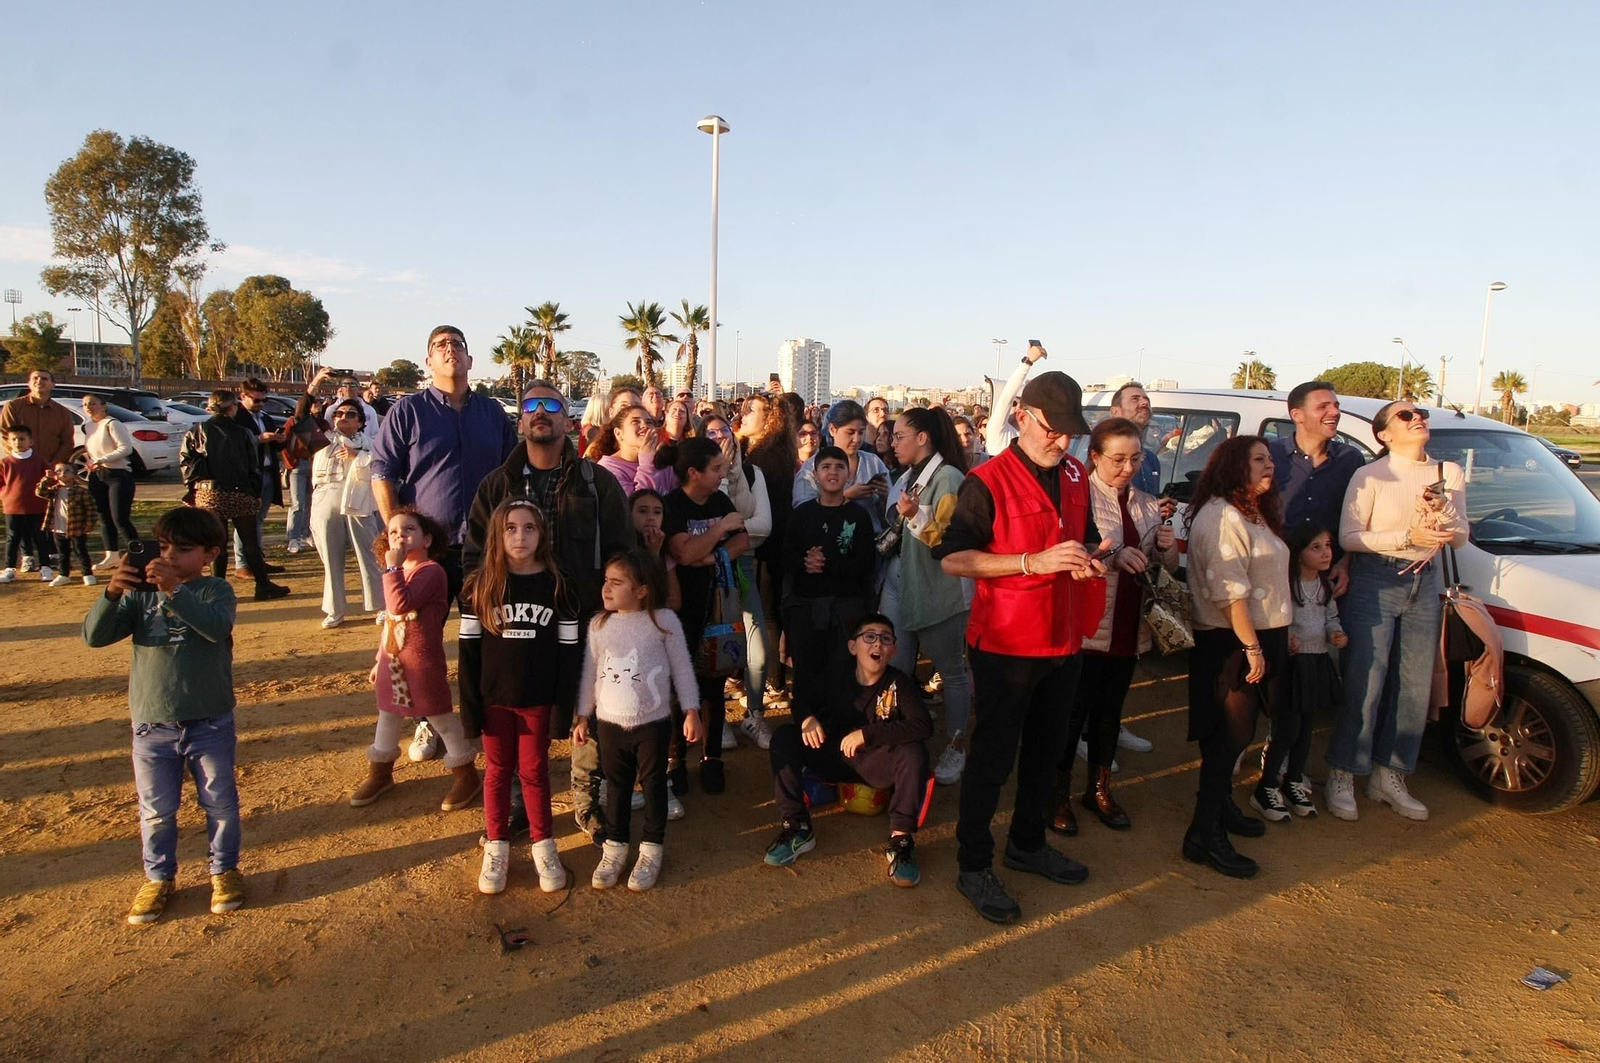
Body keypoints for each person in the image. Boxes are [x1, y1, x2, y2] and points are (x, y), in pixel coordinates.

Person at [933, 364, 1105, 923]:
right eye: (1053, 427)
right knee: (991, 759)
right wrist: (1032, 562)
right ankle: (973, 863)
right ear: (1023, 417)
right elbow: (954, 557)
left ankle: (1027, 845)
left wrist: (1097, 559)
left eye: (1070, 430)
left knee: (1047, 754)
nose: (1062, 439)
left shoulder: (1078, 475)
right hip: (1006, 646)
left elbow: (1089, 542)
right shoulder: (987, 480)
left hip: (1065, 642)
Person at [464, 380, 634, 843]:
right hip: (516, 628)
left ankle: (586, 799)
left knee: (589, 714)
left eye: (551, 405)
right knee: (516, 713)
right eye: (531, 406)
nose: (541, 412)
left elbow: (622, 551)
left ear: (569, 419)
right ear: (520, 421)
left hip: (584, 622)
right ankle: (518, 804)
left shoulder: (596, 483)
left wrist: (615, 611)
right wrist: (487, 607)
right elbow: (473, 558)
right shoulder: (495, 485)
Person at [83, 506, 245, 925]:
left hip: (209, 719)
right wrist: (112, 594)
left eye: (184, 549)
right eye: (164, 546)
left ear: (209, 554)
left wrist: (175, 590)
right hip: (152, 721)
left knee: (221, 803)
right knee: (156, 810)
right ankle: (158, 877)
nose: (170, 555)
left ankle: (223, 870)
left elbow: (215, 628)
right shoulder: (138, 596)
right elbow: (95, 637)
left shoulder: (216, 590)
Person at [1324, 400, 1467, 823]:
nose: (1416, 418)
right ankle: (1344, 771)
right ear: (1384, 434)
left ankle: (1391, 774)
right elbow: (1349, 538)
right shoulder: (1370, 475)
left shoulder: (1448, 472)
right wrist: (1408, 534)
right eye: (1404, 416)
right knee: (1365, 681)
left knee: (1414, 685)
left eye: (1419, 411)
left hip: (1426, 578)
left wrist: (1445, 522)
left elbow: (1460, 537)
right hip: (1375, 579)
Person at [1051, 418, 1179, 835]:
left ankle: (1099, 789)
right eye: (1118, 459)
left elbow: (1165, 568)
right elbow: (1066, 554)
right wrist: (1109, 556)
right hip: (1087, 624)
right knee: (1071, 716)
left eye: (1135, 458)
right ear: (1094, 456)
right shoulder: (1078, 497)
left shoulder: (1145, 501)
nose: (1128, 468)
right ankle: (1057, 794)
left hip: (1129, 623)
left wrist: (1164, 548)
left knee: (1110, 713)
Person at [1182, 436, 1292, 879]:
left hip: (1258, 635)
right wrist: (1251, 649)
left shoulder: (1252, 513)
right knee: (1228, 738)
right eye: (1258, 460)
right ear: (1233, 466)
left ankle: (1220, 812)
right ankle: (1203, 836)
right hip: (1231, 642)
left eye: (1270, 459)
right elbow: (1229, 593)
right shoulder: (1222, 515)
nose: (1269, 466)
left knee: (1234, 738)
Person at [459, 499, 580, 895]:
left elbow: (568, 654)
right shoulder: (480, 586)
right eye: (510, 528)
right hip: (494, 699)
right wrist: (470, 709)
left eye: (529, 527)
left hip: (538, 700)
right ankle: (496, 846)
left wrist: (564, 708)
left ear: (542, 534)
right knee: (496, 772)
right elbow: (469, 654)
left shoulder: (559, 585)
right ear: (497, 534)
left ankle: (544, 845)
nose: (520, 536)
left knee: (533, 772)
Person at [763, 613, 931, 887]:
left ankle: (901, 839)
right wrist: (807, 718)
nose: (877, 643)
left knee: (913, 751)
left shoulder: (899, 683)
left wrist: (868, 734)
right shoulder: (836, 673)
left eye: (885, 639)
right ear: (854, 647)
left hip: (875, 765)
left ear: (893, 650)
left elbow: (923, 725)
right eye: (870, 637)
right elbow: (802, 699)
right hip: (834, 755)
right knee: (784, 737)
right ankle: (797, 827)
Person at [573, 550, 702, 891]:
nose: (606, 588)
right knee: (616, 786)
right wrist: (583, 715)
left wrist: (691, 710)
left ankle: (651, 848)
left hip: (653, 724)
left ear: (642, 589)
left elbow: (682, 667)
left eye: (617, 582)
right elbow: (590, 672)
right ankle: (615, 846)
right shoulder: (599, 624)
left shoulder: (663, 621)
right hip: (610, 724)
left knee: (655, 783)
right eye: (605, 581)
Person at [370, 325, 519, 608]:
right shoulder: (407, 411)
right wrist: (398, 534)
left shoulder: (493, 413)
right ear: (428, 363)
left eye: (457, 344)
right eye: (440, 345)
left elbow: (510, 474)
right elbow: (382, 474)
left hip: (483, 546)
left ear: (470, 360)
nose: (450, 349)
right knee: (419, 636)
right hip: (425, 548)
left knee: (484, 634)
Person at [349, 507, 481, 811]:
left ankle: (466, 775)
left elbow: (398, 605)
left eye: (408, 530)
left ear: (427, 539)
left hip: (421, 664)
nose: (400, 537)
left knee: (441, 718)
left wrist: (392, 571)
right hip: (393, 662)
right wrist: (379, 659)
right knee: (388, 714)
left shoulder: (431, 571)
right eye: (393, 532)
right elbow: (392, 625)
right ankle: (380, 773)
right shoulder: (400, 573)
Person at [880, 406, 972, 786]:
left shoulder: (948, 478)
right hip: (904, 583)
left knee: (952, 672)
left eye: (900, 435)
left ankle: (958, 745)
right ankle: (902, 741)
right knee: (896, 669)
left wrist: (917, 517)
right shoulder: (907, 476)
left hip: (939, 590)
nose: (892, 442)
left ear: (923, 438)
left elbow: (951, 539)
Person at [664, 437, 750, 796]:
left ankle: (711, 756)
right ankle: (675, 759)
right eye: (716, 469)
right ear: (693, 473)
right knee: (677, 684)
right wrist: (718, 531)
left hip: (718, 602)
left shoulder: (719, 499)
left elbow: (742, 541)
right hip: (681, 606)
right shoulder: (672, 505)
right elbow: (683, 554)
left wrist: (713, 556)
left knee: (714, 682)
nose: (722, 474)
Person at [1256, 524, 1347, 820]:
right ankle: (1267, 785)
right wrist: (1286, 640)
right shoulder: (1286, 584)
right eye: (1316, 547)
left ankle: (1293, 780)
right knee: (1287, 729)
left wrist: (1336, 633)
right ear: (1298, 554)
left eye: (1328, 546)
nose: (1325, 553)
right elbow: (1275, 618)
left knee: (1306, 729)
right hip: (1293, 666)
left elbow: (1330, 616)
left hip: (1316, 662)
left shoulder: (1326, 586)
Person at [782, 445, 876, 728]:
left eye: (839, 467)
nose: (832, 472)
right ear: (815, 474)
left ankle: (841, 731)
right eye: (826, 467)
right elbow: (786, 556)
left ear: (849, 475)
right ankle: (807, 727)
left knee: (844, 670)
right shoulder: (802, 514)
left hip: (846, 608)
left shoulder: (859, 517)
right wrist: (804, 563)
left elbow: (865, 564)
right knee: (807, 672)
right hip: (806, 607)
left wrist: (826, 564)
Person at [697, 413, 774, 751]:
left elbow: (763, 526)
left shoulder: (753, 473)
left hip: (740, 569)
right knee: (708, 650)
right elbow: (716, 521)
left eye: (723, 430)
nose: (718, 437)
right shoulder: (694, 476)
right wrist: (735, 528)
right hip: (703, 572)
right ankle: (716, 720)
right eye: (709, 432)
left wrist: (733, 475)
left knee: (758, 650)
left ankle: (754, 712)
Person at [179, 391, 290, 601]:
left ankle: (216, 589)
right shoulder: (243, 432)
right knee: (249, 541)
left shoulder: (197, 430)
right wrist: (255, 492)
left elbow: (186, 461)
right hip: (240, 491)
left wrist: (193, 488)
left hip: (209, 491)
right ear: (232, 408)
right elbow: (253, 466)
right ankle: (263, 584)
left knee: (217, 543)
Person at [1270, 381, 1366, 598]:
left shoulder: (1351, 460)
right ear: (1297, 415)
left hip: (1328, 581)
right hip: (1275, 578)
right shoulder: (1268, 456)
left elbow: (1360, 519)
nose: (1335, 412)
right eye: (1323, 407)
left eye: (1336, 405)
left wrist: (1345, 563)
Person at [307, 398, 384, 627]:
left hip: (359, 499)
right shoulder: (323, 440)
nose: (344, 417)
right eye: (339, 413)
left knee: (369, 555)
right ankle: (334, 609)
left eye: (350, 414)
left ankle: (380, 605)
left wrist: (357, 455)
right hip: (326, 496)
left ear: (360, 421)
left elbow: (382, 464)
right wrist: (313, 389)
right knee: (330, 558)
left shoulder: (371, 442)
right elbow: (302, 418)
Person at [793, 400, 890, 533]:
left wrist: (886, 496)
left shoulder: (873, 462)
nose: (856, 439)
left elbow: (891, 513)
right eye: (850, 432)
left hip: (869, 541)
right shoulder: (812, 467)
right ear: (833, 430)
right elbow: (803, 513)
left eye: (861, 432)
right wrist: (845, 497)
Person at [230, 378, 289, 574]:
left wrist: (279, 440)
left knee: (258, 519)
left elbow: (274, 446)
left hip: (267, 471)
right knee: (245, 521)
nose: (260, 404)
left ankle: (256, 559)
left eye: (263, 400)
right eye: (256, 400)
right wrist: (258, 439)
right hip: (249, 475)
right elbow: (235, 445)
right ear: (243, 396)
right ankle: (242, 563)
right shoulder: (236, 418)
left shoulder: (264, 418)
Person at [81, 393, 140, 571]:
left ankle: (139, 555)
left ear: (103, 405)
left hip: (118, 475)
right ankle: (111, 555)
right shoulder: (89, 426)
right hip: (97, 476)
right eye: (85, 405)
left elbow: (125, 448)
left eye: (93, 403)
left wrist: (103, 459)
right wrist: (93, 462)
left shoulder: (112, 423)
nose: (89, 407)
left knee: (119, 518)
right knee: (104, 517)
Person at [1, 425, 51, 583]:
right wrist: (6, 496)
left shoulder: (40, 461)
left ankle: (45, 567)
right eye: (14, 439)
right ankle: (10, 569)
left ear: (31, 441)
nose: (18, 442)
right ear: (8, 442)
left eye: (22, 439)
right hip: (12, 508)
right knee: (13, 538)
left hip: (37, 506)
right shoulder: (5, 463)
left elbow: (49, 481)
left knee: (40, 538)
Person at [595, 405, 678, 495]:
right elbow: (635, 505)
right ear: (618, 433)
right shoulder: (608, 469)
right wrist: (647, 460)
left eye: (649, 422)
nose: (644, 426)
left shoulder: (663, 464)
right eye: (635, 421)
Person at [36, 462, 96, 586]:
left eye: (67, 471)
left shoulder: (81, 491)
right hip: (58, 528)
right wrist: (47, 479)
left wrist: (89, 523)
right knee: (62, 553)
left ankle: (87, 574)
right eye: (58, 471)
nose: (62, 474)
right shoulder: (54, 491)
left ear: (74, 475)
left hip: (77, 528)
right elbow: (40, 492)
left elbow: (91, 508)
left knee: (81, 551)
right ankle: (64, 574)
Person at [983, 343, 1047, 456]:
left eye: (1022, 404)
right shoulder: (997, 430)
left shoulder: (1031, 438)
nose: (1018, 407)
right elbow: (1006, 396)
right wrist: (1028, 361)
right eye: (1014, 403)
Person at [0, 370, 75, 464]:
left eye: (44, 379)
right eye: (35, 378)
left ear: (53, 384)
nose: (39, 381)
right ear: (29, 384)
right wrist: (20, 458)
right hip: (20, 466)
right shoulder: (13, 406)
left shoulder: (62, 412)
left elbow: (67, 442)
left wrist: (54, 463)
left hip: (50, 469)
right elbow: (5, 435)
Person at [630, 488, 682, 613]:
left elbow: (675, 601)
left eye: (657, 512)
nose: (651, 518)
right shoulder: (622, 551)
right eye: (642, 511)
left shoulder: (665, 552)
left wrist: (655, 554)